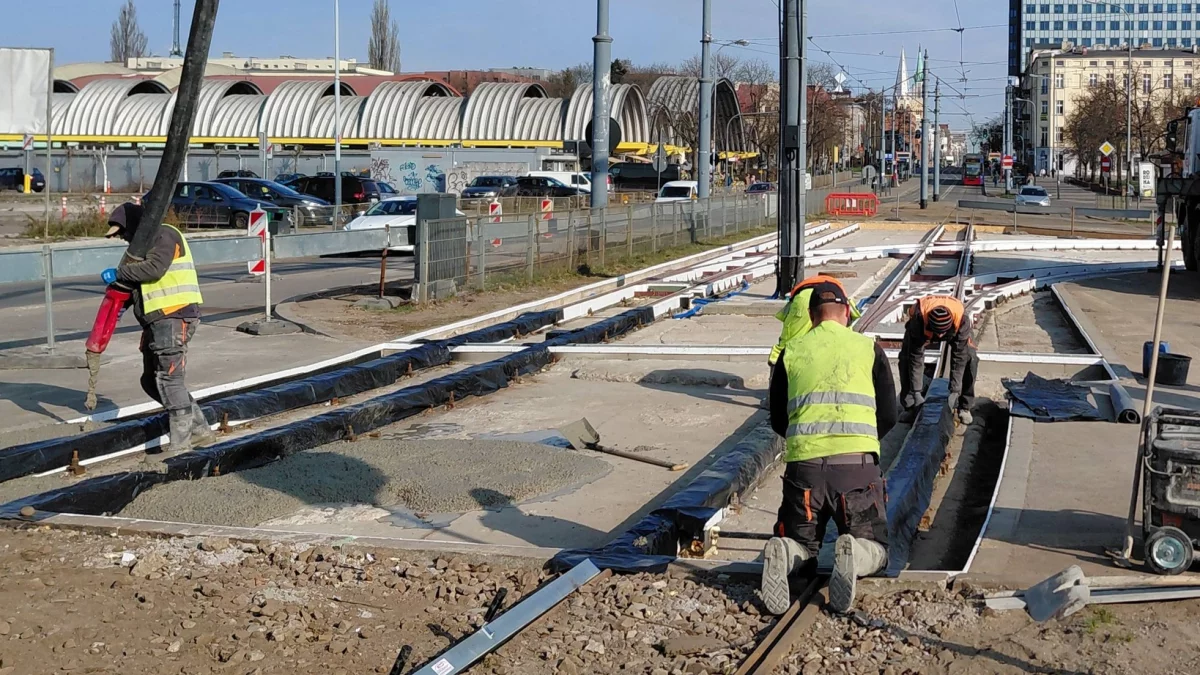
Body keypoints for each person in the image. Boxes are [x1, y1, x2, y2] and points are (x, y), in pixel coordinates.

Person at [763, 281, 898, 615]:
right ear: (848, 313)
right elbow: (891, 414)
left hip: (804, 471)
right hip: (857, 471)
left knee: (805, 543)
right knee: (877, 546)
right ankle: (856, 549)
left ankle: (787, 549)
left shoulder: (791, 352)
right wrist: (863, 442)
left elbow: (779, 418)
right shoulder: (869, 349)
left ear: (811, 316)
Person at [103, 203, 213, 462]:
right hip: (156, 320)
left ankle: (181, 447)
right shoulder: (142, 247)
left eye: (122, 233)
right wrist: (126, 301)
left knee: (168, 380)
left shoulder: (165, 234)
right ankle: (200, 431)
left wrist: (118, 272)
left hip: (174, 316)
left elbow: (155, 270)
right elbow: (142, 283)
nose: (122, 238)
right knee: (150, 381)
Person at [898, 295, 978, 426]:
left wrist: (954, 390)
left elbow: (959, 357)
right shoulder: (918, 319)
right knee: (906, 359)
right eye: (938, 333)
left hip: (954, 330)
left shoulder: (962, 320)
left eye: (942, 333)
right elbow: (916, 358)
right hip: (923, 329)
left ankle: (964, 406)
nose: (940, 337)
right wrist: (917, 392)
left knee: (970, 358)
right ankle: (910, 405)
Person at [768, 275, 861, 368]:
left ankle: (777, 366)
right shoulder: (842, 303)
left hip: (804, 297)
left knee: (788, 345)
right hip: (824, 298)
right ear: (848, 310)